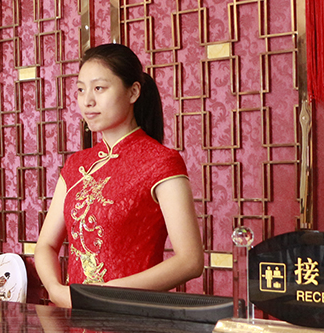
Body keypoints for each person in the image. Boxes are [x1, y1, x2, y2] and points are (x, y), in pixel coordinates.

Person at [35, 43, 204, 309]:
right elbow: (45, 244)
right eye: (81, 90)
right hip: (74, 314)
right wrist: (56, 291)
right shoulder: (77, 165)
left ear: (133, 92)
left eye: (99, 88)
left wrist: (108, 294)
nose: (87, 101)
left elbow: (190, 261)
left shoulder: (161, 162)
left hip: (132, 317)